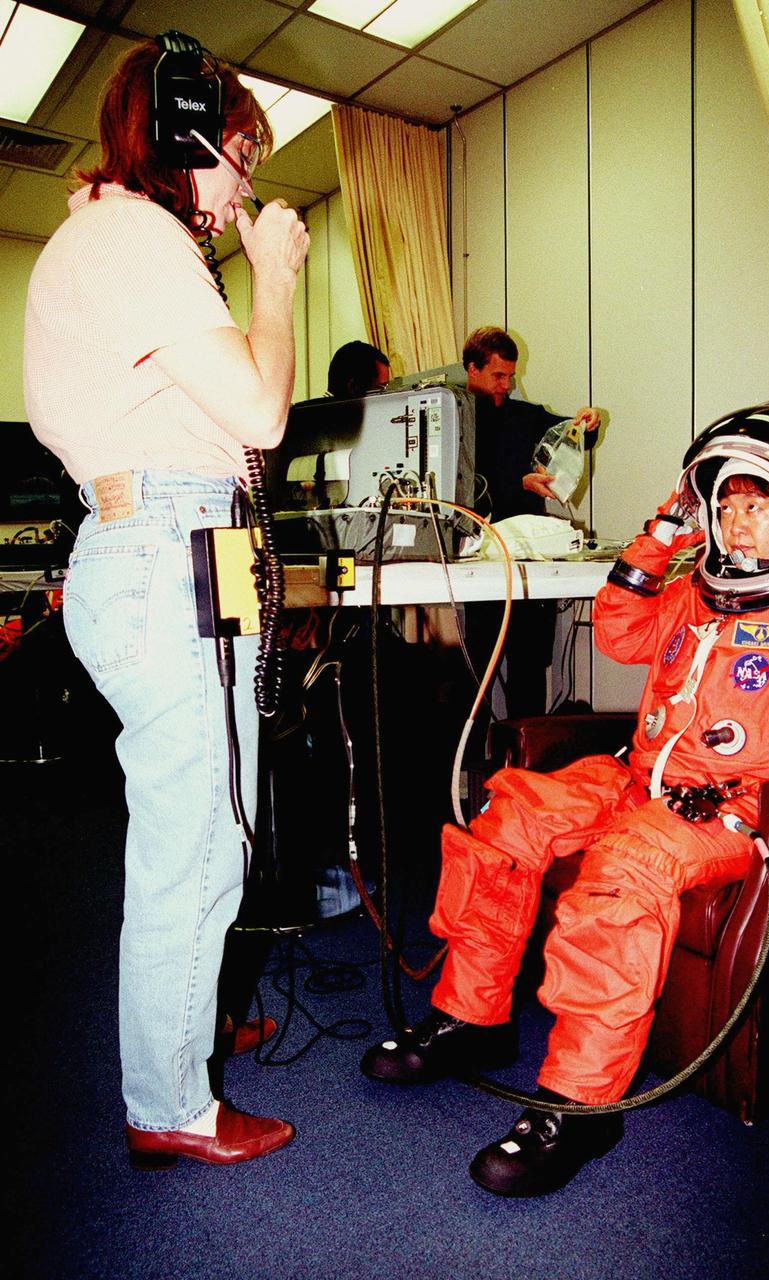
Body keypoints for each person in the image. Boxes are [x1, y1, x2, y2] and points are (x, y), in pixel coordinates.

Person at [360, 403, 769, 1197]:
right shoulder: (696, 593)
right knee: (509, 812)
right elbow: (619, 633)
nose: (737, 523)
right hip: (637, 777)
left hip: (734, 808)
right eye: (726, 507)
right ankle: (471, 1019)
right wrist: (663, 534)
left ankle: (581, 1102)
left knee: (622, 872)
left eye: (757, 505)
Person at [22, 35, 309, 1168]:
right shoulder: (133, 236)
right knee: (195, 840)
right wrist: (278, 275)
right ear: (192, 131)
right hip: (172, 544)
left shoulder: (122, 237)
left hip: (196, 542)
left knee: (219, 811)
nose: (246, 182)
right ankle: (170, 1100)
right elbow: (261, 414)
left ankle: (186, 1017)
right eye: (242, 151)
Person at [463, 326, 602, 737]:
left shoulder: (523, 415)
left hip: (527, 563)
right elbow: (461, 487)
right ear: (471, 368)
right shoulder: (454, 419)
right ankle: (476, 769)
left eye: (511, 375)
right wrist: (516, 485)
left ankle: (527, 760)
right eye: (498, 376)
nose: (507, 385)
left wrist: (586, 423)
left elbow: (570, 432)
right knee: (480, 674)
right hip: (479, 565)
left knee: (526, 667)